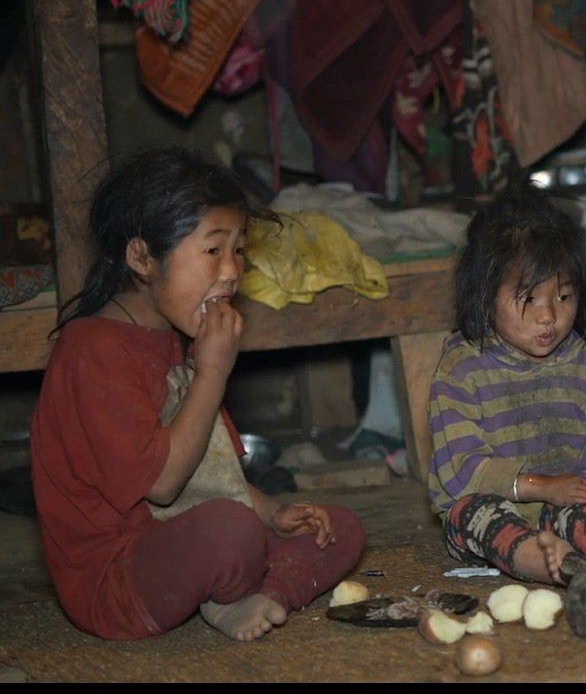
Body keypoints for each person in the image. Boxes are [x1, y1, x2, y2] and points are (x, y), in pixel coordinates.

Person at [29, 145, 367, 642]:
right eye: (213, 251)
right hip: (118, 578)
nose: (231, 272)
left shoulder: (173, 336)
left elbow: (210, 474)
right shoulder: (92, 352)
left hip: (188, 537)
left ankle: (261, 597)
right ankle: (232, 591)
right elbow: (164, 484)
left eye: (239, 251)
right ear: (142, 257)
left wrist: (273, 514)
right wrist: (211, 373)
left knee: (338, 526)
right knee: (230, 531)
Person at [426, 177, 586, 585]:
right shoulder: (462, 369)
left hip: (563, 512)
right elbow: (461, 474)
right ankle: (561, 569)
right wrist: (544, 487)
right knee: (472, 514)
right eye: (528, 298)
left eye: (564, 297)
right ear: (486, 295)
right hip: (490, 511)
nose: (548, 316)